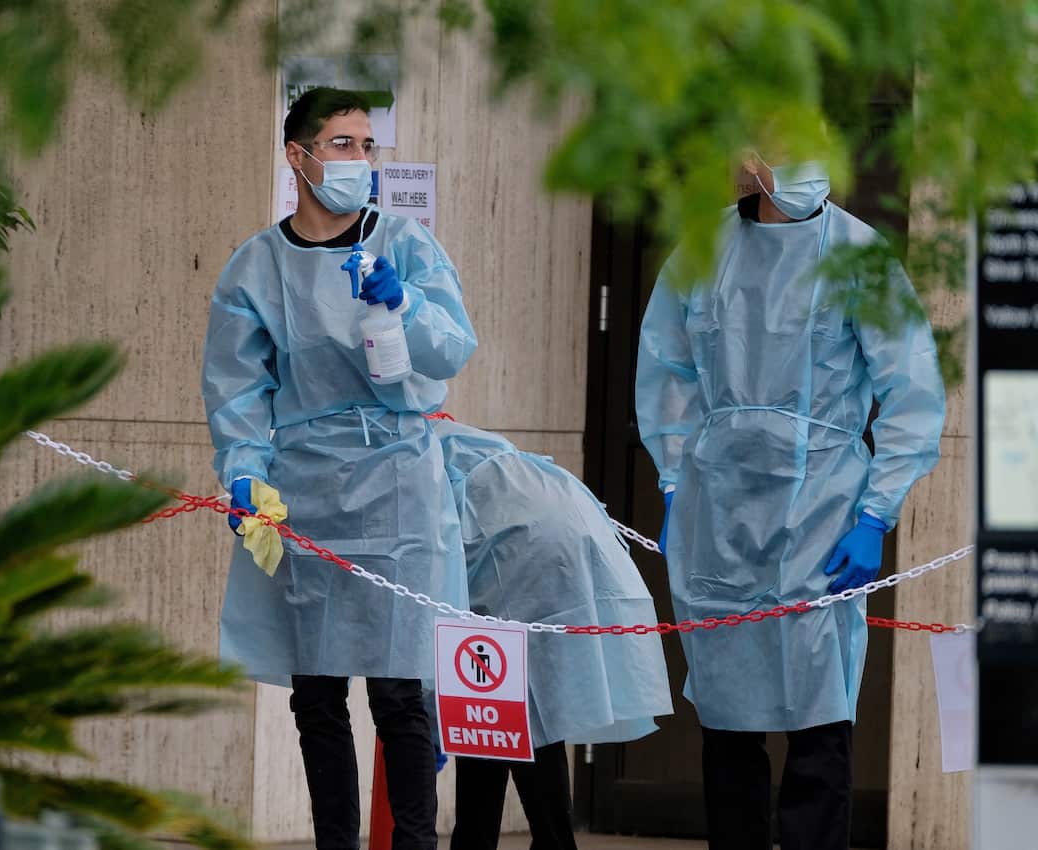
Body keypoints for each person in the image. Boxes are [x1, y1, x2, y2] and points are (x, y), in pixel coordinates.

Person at [635, 149, 946, 850]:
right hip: (719, 515)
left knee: (818, 723)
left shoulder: (858, 256)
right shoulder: (703, 248)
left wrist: (875, 514)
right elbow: (666, 372)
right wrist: (676, 477)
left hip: (822, 512)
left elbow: (912, 393)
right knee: (728, 725)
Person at [203, 87, 477, 850]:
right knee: (317, 692)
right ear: (298, 156)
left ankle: (415, 843)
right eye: (344, 145)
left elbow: (454, 347)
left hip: (398, 483)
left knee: (401, 686)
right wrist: (246, 472)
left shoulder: (406, 244)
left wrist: (409, 307)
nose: (361, 161)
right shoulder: (256, 267)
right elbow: (237, 387)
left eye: (368, 147)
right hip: (307, 486)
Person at [432, 419, 673, 850]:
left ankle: (487, 840)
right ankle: (546, 840)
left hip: (514, 543)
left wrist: (429, 722)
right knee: (524, 707)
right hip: (559, 521)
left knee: (490, 702)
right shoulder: (446, 437)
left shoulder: (405, 454)